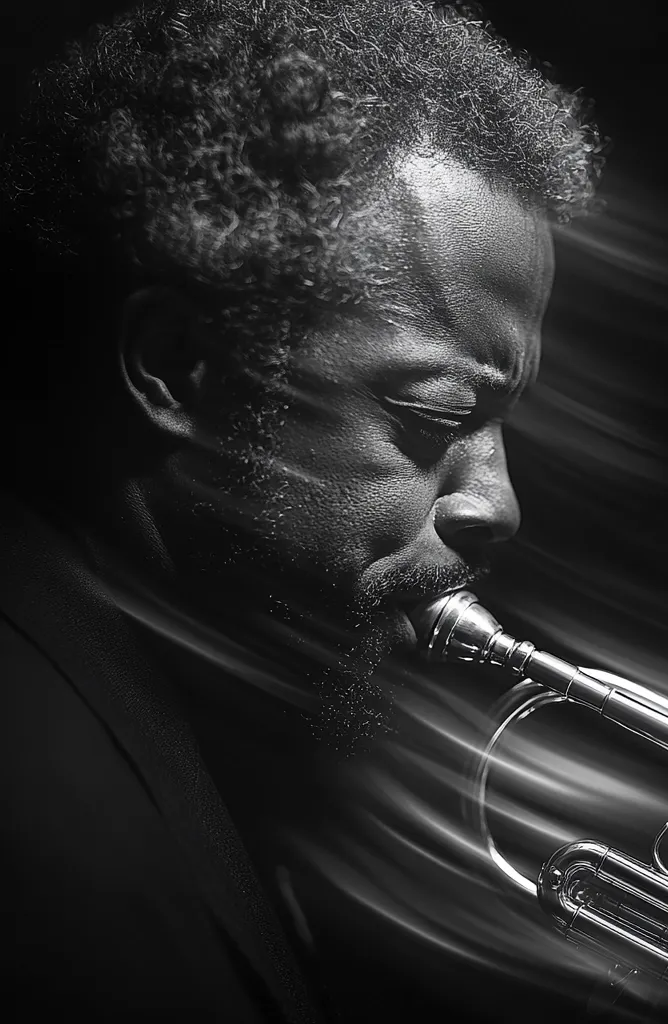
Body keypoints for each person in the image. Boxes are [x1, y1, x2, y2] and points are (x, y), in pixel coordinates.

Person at [0, 1, 604, 1020]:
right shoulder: (41, 825)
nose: (497, 504)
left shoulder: (173, 706)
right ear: (177, 367)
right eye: (436, 415)